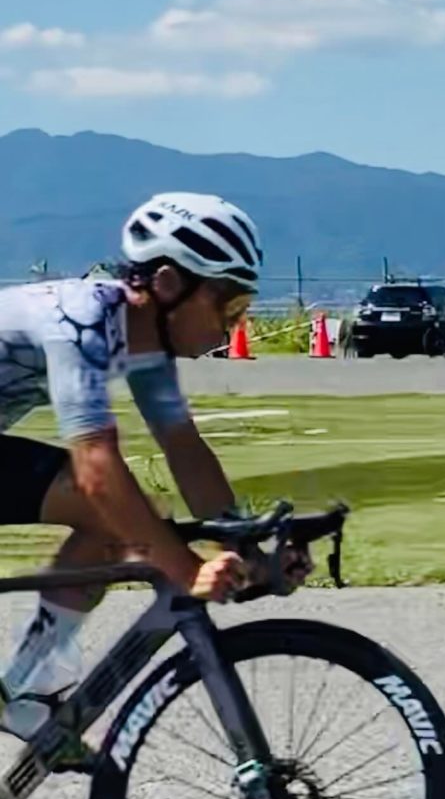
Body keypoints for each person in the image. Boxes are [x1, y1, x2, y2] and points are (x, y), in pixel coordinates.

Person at [0, 193, 306, 744]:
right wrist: (186, 570)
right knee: (111, 505)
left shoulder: (143, 345)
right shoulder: (79, 321)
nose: (234, 322)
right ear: (168, 284)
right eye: (228, 302)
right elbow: (96, 469)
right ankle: (25, 688)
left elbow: (184, 448)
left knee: (127, 516)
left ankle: (26, 688)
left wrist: (249, 552)